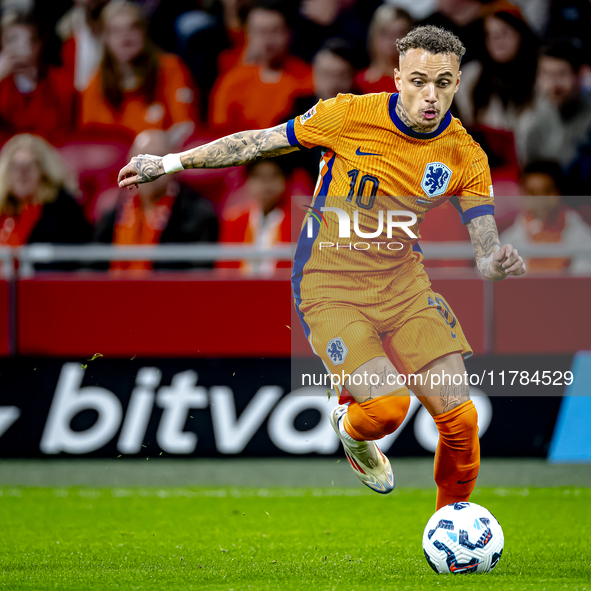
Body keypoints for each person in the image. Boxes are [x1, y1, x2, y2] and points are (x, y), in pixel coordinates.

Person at [118, 25, 526, 509]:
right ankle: (350, 432)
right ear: (396, 78)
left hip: (406, 290)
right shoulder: (347, 114)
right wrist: (168, 164)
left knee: (461, 422)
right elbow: (258, 144)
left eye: (443, 83)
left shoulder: (466, 156)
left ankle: (446, 526)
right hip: (329, 287)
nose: (430, 95)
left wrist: (494, 260)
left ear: (458, 83)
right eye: (418, 81)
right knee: (387, 411)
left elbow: (484, 247)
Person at [95, 129, 218, 272]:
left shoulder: (198, 217)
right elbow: (90, 272)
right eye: (138, 160)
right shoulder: (112, 216)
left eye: (157, 158)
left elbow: (198, 279)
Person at [80, 1, 198, 144]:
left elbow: (185, 127)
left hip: (164, 158)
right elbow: (89, 140)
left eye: (133, 28)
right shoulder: (95, 83)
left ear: (145, 31)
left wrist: (153, 144)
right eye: (116, 30)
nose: (125, 36)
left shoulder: (171, 68)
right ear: (105, 38)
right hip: (116, 164)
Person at [209, 0, 313, 134]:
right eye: (260, 32)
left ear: (289, 33)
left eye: (274, 31)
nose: (267, 40)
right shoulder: (232, 82)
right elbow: (219, 135)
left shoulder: (308, 80)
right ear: (248, 34)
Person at [0, 134, 91, 252]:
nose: (21, 175)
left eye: (28, 167)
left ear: (44, 172)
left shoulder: (63, 211)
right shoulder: (6, 211)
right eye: (14, 167)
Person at [453, 4, 538, 132]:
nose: (497, 40)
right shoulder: (470, 77)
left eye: (504, 33)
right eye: (490, 35)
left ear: (521, 34)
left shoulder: (541, 75)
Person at [500, 161, 591, 275]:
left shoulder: (583, 236)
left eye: (547, 191)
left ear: (559, 192)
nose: (541, 200)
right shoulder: (508, 241)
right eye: (533, 193)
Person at [0, 11, 76, 144]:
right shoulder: (2, 83)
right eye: (11, 40)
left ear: (37, 44)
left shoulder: (59, 81)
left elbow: (62, 131)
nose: (17, 47)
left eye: (25, 39)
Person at [518, 39, 591, 171]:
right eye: (546, 74)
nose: (554, 85)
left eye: (562, 74)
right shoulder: (530, 121)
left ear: (579, 76)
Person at [355, 5, 413, 95]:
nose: (393, 41)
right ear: (373, 36)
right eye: (385, 33)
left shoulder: (419, 82)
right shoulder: (359, 82)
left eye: (400, 34)